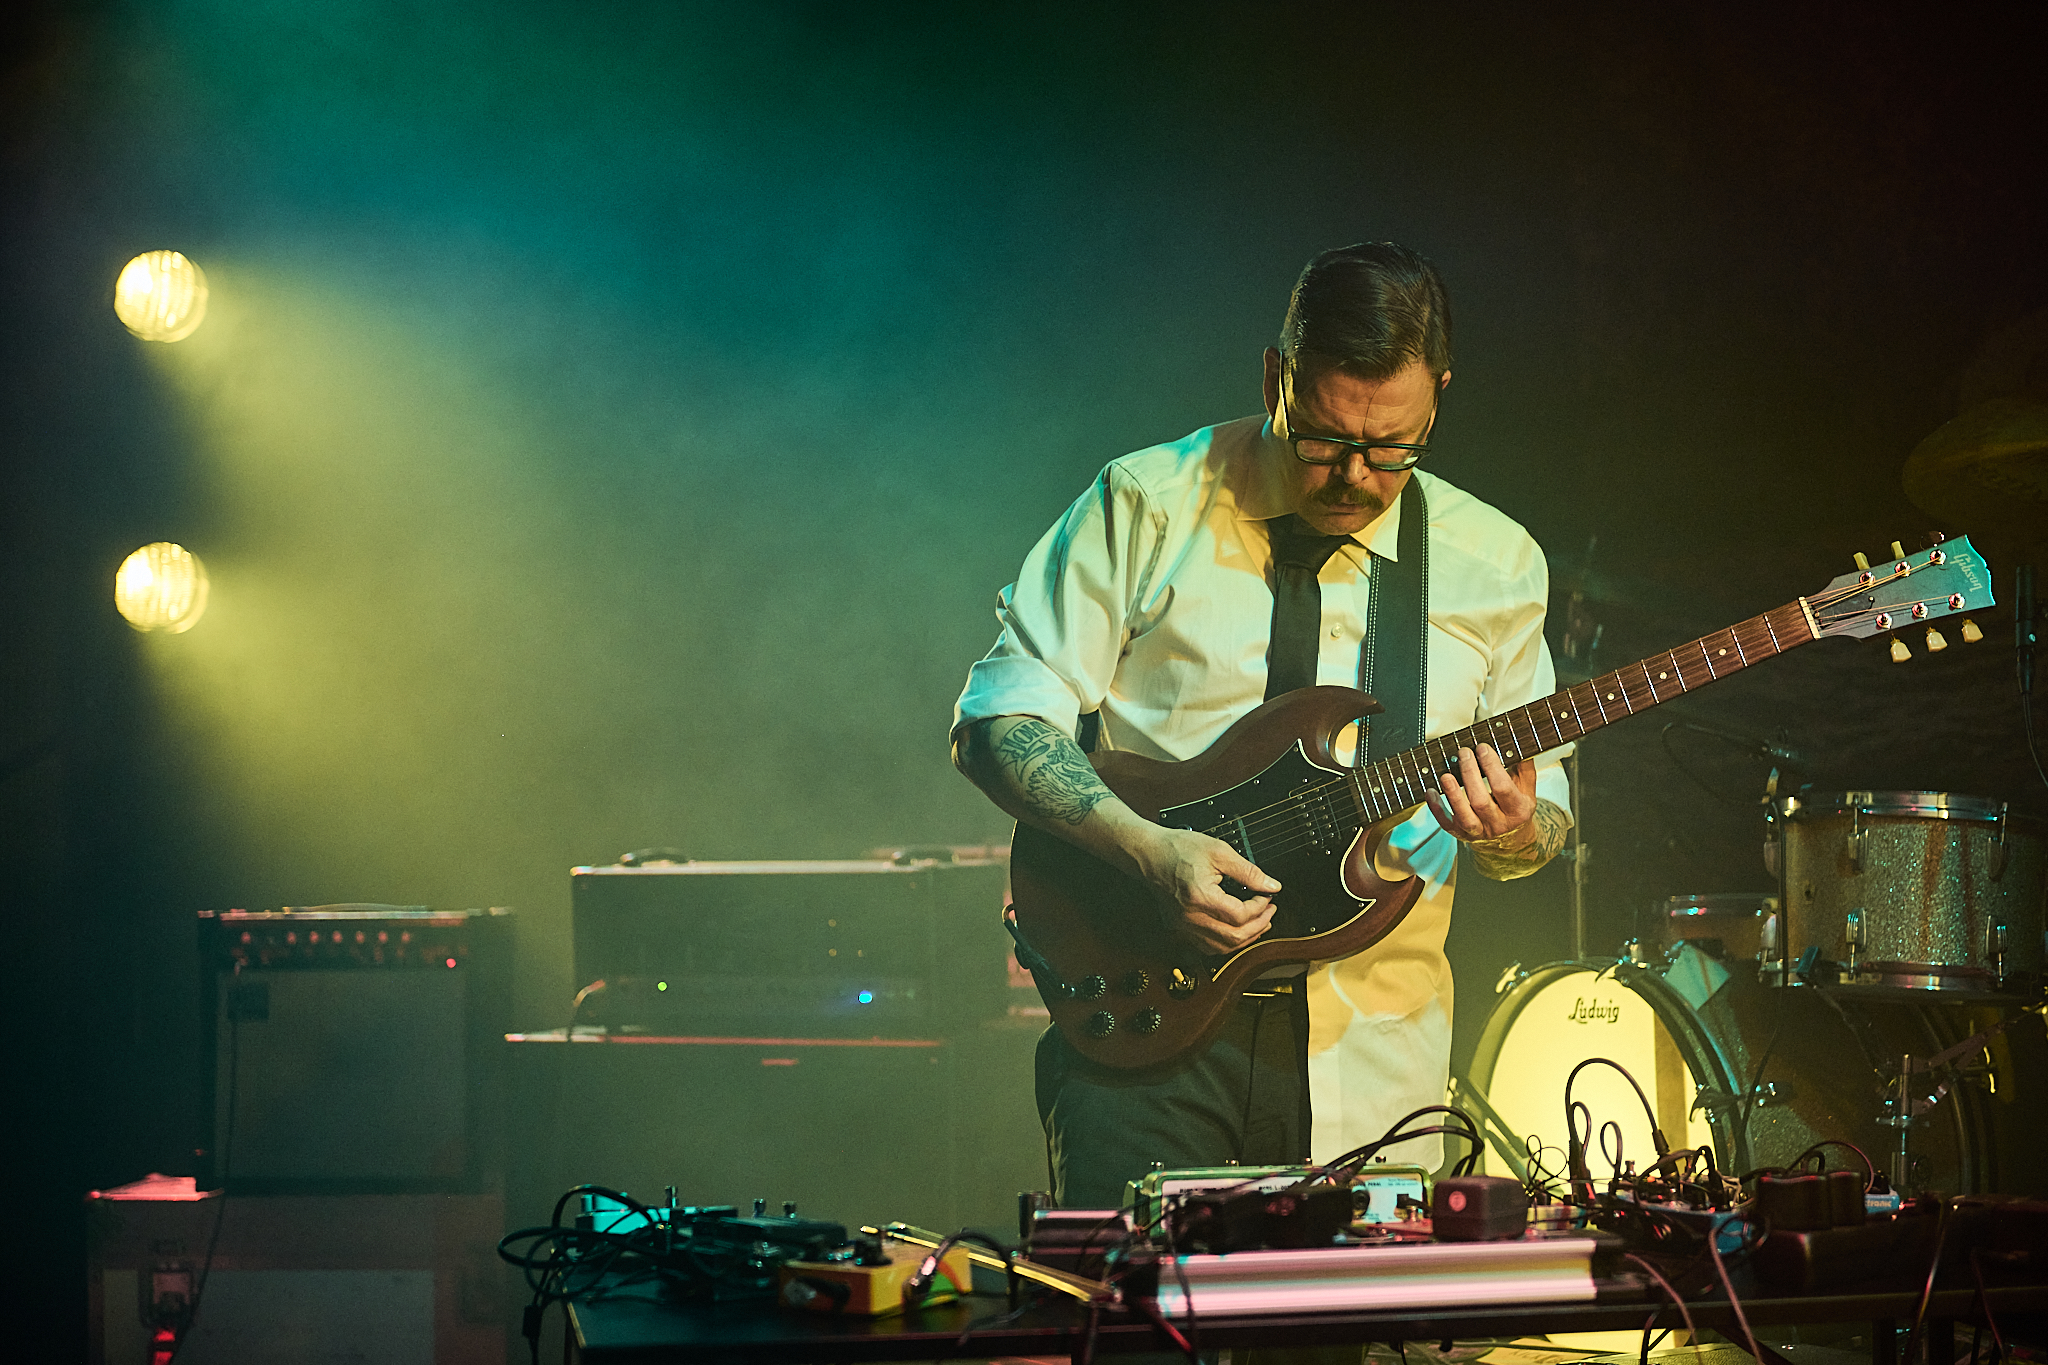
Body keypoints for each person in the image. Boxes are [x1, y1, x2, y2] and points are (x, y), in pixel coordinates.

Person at [951, 242, 1574, 1210]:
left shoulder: (1495, 562)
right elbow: (997, 719)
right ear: (1274, 375)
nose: (1355, 478)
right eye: (1322, 439)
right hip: (1142, 1014)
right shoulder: (1147, 502)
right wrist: (1149, 852)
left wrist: (1513, 832)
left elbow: (1541, 831)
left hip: (1370, 1053)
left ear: (1438, 395)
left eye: (1393, 448)